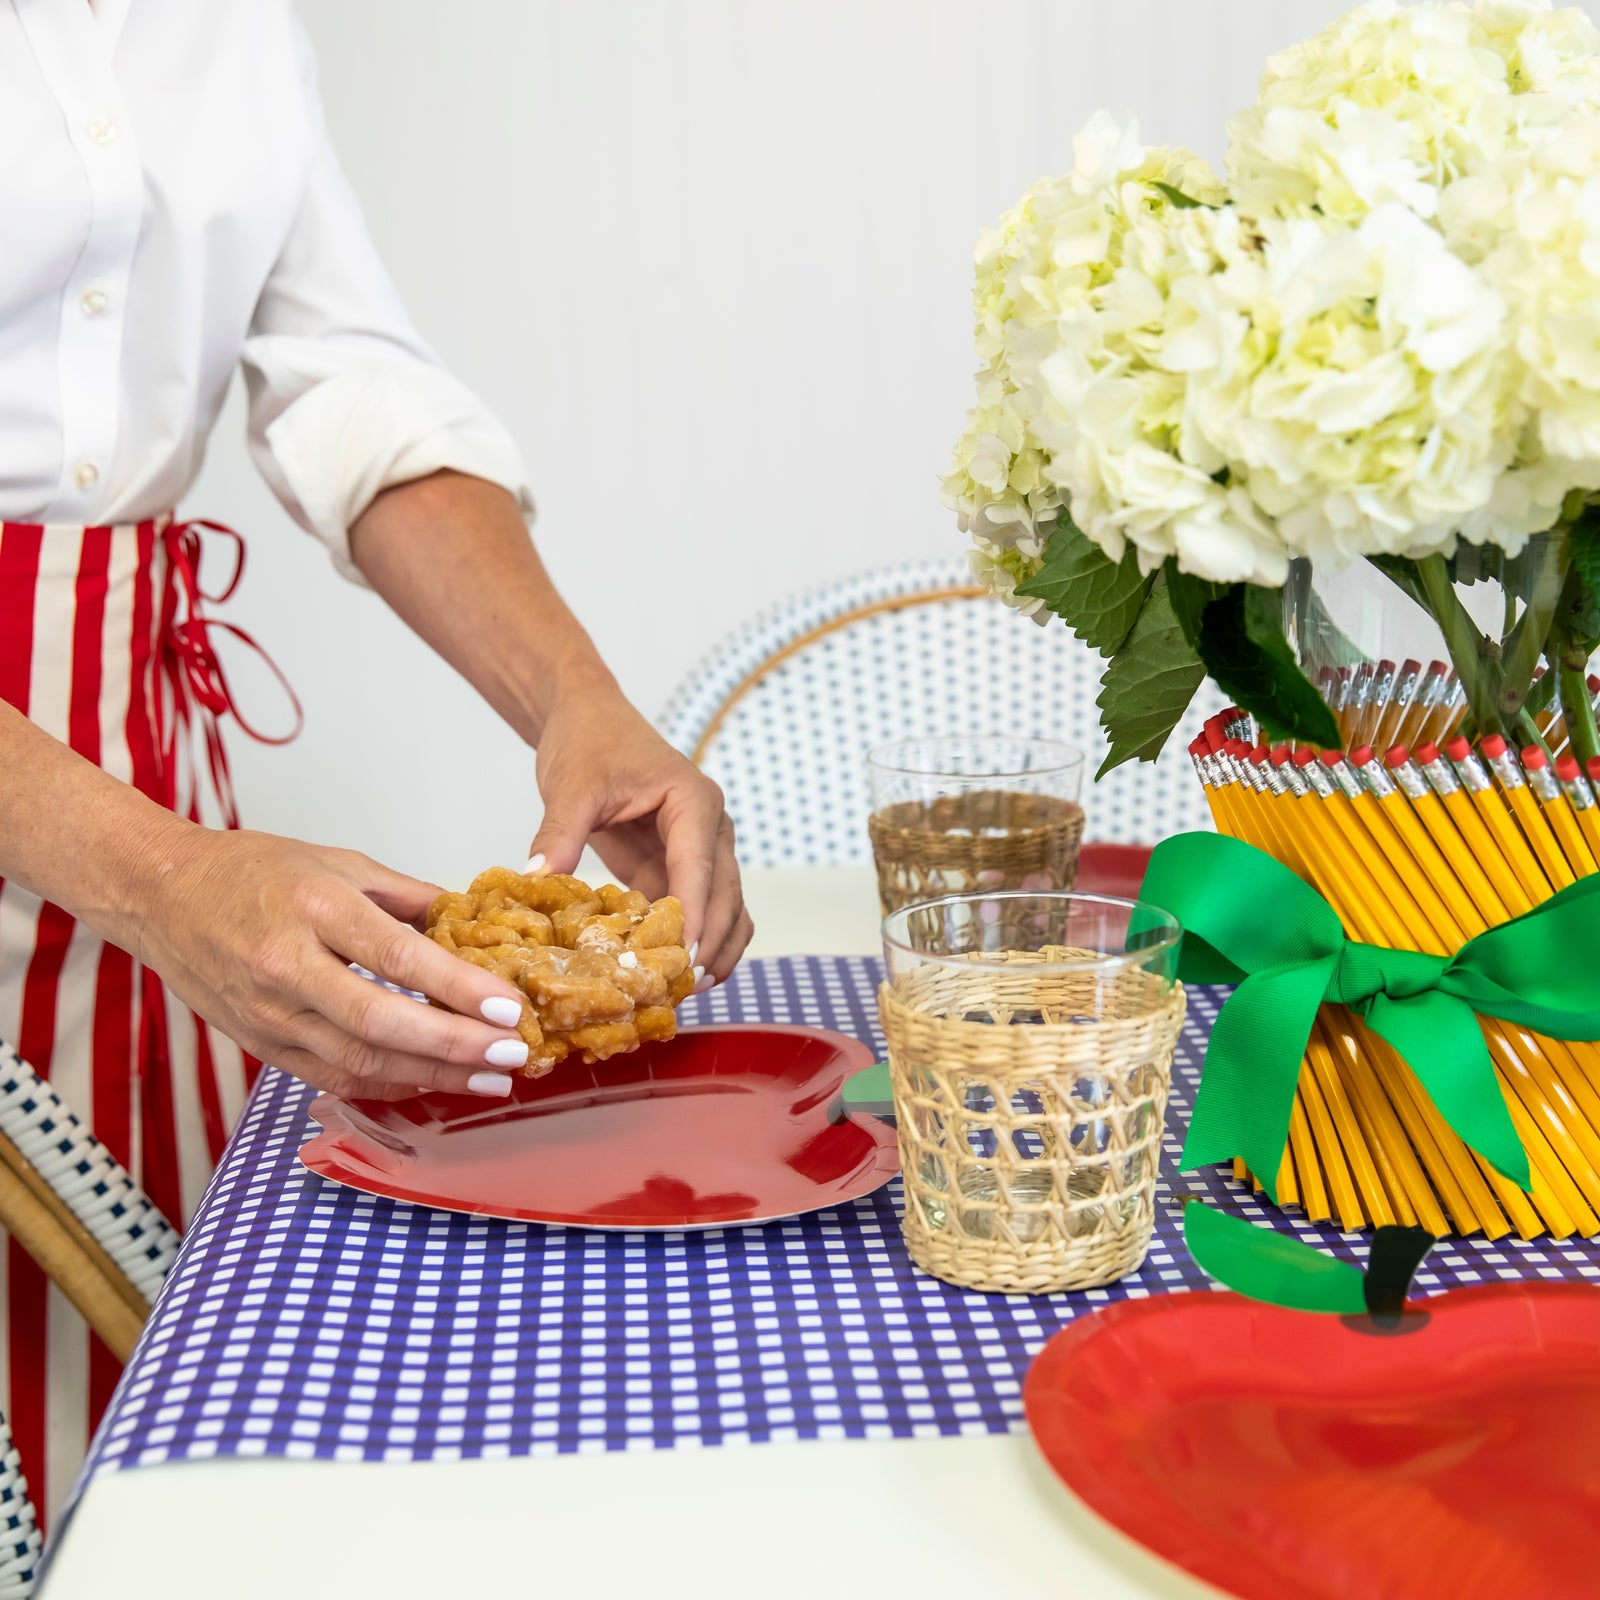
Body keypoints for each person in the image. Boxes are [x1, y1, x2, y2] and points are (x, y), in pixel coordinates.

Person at [0, 0, 750, 1522]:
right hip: (118, 830)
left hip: (147, 760)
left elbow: (349, 383)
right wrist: (146, 873)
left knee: (131, 1371)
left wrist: (573, 699)